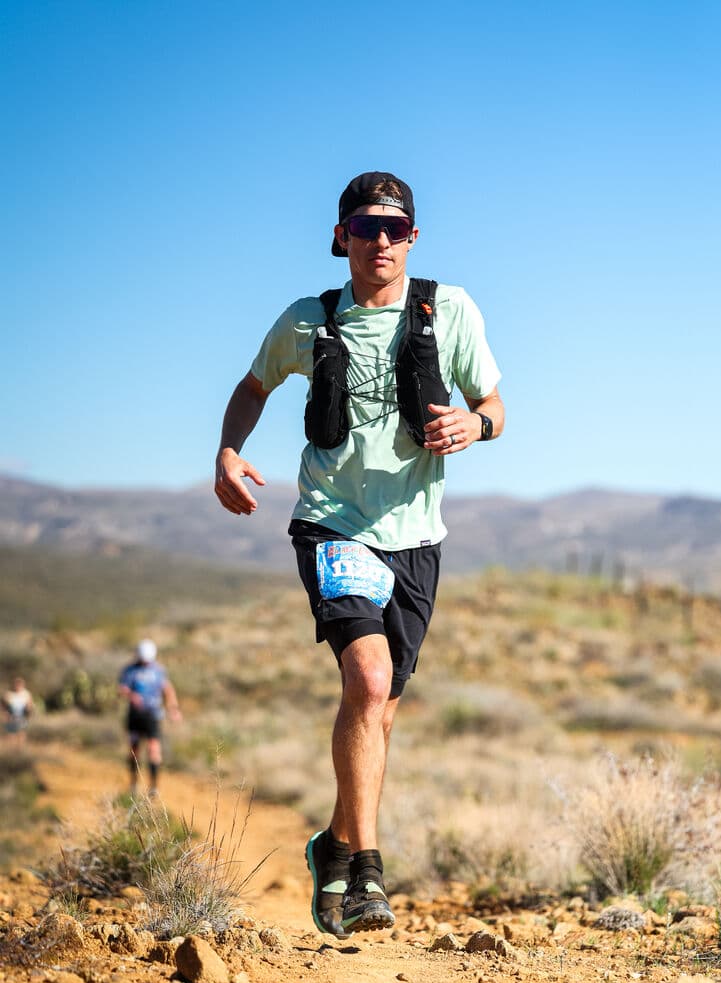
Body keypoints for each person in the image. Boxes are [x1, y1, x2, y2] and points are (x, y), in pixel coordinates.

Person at [214, 171, 504, 939]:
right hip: (333, 524)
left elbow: (496, 407)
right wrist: (228, 452)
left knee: (380, 709)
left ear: (413, 237)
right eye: (366, 226)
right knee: (367, 681)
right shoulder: (308, 321)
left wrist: (475, 426)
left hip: (417, 535)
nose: (381, 240)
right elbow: (252, 386)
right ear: (340, 235)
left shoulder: (450, 311)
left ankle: (333, 844)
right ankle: (367, 873)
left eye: (396, 228)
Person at [118, 639, 181, 795]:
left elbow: (167, 689)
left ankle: (153, 787)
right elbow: (121, 689)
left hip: (152, 715)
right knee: (134, 749)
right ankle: (133, 783)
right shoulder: (130, 670)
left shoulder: (159, 670)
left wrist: (173, 709)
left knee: (154, 749)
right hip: (135, 715)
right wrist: (131, 695)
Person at [3, 677, 34, 746]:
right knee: (11, 734)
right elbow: (4, 706)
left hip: (22, 717)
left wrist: (28, 715)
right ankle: (10, 749)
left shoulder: (26, 694)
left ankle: (20, 749)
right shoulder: (8, 694)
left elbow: (30, 706)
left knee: (21, 733)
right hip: (11, 717)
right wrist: (6, 714)